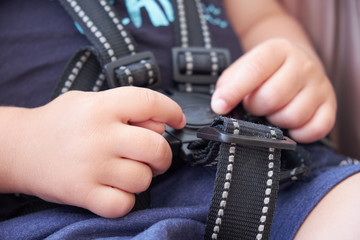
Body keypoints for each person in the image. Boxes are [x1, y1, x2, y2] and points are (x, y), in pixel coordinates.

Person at [0, 0, 359, 239]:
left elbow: (262, 18)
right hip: (74, 215)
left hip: (273, 169)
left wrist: (293, 65)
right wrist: (19, 147)